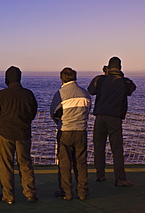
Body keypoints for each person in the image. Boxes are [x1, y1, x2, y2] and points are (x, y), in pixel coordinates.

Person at [88, 56, 136, 187]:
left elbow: (91, 90)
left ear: (108, 67)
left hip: (100, 117)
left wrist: (105, 75)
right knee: (116, 149)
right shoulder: (124, 82)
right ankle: (120, 178)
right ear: (120, 67)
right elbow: (132, 88)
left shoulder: (100, 79)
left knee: (98, 146)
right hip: (115, 118)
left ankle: (100, 175)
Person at [0, 66, 38, 204]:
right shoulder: (28, 94)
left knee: (6, 165)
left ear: (7, 79)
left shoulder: (2, 95)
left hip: (6, 134)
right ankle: (30, 193)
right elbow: (33, 112)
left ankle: (8, 196)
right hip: (23, 133)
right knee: (25, 163)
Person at [50, 68, 91, 200]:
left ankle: (66, 192)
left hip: (65, 131)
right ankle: (82, 192)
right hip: (81, 132)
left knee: (65, 163)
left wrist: (59, 123)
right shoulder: (85, 93)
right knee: (81, 163)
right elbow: (87, 110)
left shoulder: (61, 93)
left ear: (62, 78)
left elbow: (53, 112)